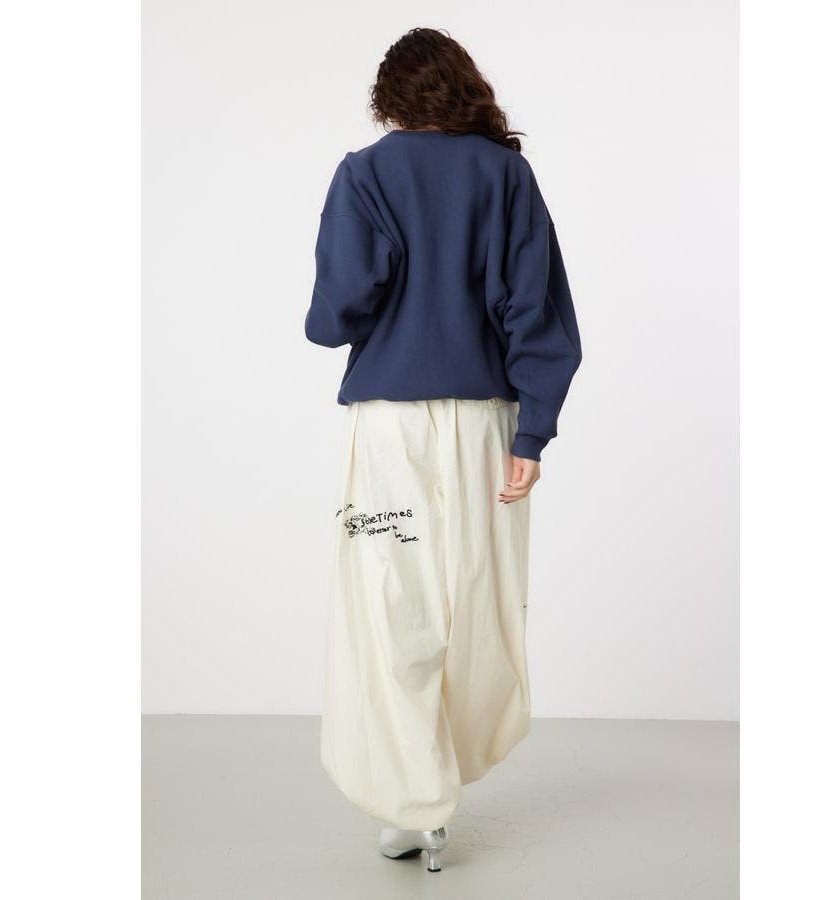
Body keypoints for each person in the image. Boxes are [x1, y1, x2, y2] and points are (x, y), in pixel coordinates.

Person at [305, 27, 582, 873]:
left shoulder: (365, 174)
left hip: (390, 425)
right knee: (479, 600)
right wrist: (533, 431)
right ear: (465, 85)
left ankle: (413, 801)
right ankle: (443, 781)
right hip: (486, 423)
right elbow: (534, 310)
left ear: (389, 98)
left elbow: (336, 315)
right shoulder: (506, 175)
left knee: (389, 605)